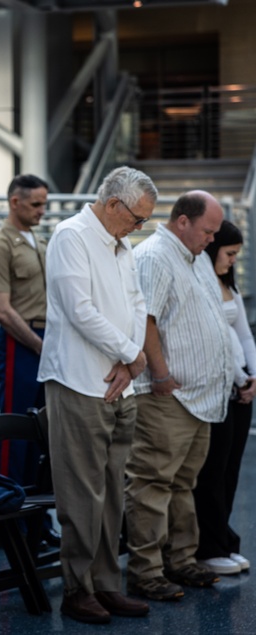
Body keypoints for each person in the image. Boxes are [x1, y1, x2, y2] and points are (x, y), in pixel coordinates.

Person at [37, 166, 155, 623]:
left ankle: (108, 584)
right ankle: (77, 588)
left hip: (120, 382)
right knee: (81, 495)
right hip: (80, 381)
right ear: (112, 205)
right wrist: (131, 353)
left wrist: (132, 358)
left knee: (111, 492)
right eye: (137, 218)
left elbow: (136, 300)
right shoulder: (72, 236)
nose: (139, 226)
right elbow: (78, 309)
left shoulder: (121, 243)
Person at [125, 190, 235, 599]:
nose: (212, 238)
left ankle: (181, 559)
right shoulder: (155, 256)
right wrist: (160, 374)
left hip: (197, 397)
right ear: (183, 221)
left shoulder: (196, 256)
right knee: (152, 482)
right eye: (207, 230)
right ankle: (146, 571)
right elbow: (146, 319)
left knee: (183, 482)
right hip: (166, 395)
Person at [0, 174, 49, 487]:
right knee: (13, 435)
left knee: (41, 433)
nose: (41, 211)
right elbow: (2, 310)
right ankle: (11, 527)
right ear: (14, 202)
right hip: (20, 343)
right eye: (35, 204)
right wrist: (37, 345)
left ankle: (36, 528)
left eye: (44, 204)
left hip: (44, 342)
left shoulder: (40, 242)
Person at [194, 220, 256, 574]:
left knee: (230, 471)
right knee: (212, 473)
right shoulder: (201, 282)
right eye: (230, 253)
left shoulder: (225, 283)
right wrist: (240, 377)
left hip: (239, 388)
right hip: (218, 388)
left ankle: (224, 538)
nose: (233, 260)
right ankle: (208, 545)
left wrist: (253, 376)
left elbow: (243, 336)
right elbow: (217, 340)